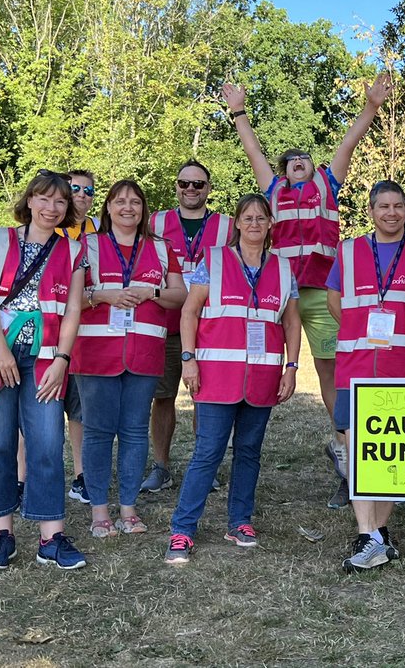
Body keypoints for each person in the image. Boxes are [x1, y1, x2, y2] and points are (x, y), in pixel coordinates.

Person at [223, 74, 392, 508]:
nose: (298, 160)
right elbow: (253, 150)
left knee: (331, 371)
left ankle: (346, 451)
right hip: (275, 292)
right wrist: (239, 110)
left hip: (318, 293)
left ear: (316, 168)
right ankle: (226, 450)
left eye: (305, 157)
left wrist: (371, 105)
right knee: (250, 362)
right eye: (291, 159)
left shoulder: (327, 186)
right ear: (282, 171)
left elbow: (348, 144)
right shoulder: (272, 191)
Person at [164, 194, 301, 563]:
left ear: (270, 223)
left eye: (261, 218)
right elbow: (189, 313)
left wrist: (292, 367)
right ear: (237, 223)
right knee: (207, 453)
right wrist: (188, 360)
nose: (254, 223)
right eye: (248, 218)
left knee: (249, 452)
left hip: (263, 378)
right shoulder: (214, 260)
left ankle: (239, 521)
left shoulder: (285, 269)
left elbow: (291, 321)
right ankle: (182, 530)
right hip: (216, 375)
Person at [0, 170, 88, 570]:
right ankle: (1, 535)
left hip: (45, 359)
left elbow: (73, 309)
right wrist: (0, 351)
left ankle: (51, 538)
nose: (51, 208)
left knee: (46, 443)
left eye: (60, 201)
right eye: (44, 199)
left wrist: (63, 359)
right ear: (30, 201)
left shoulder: (73, 251)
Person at [326, 180, 405, 570]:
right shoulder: (350, 250)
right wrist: (359, 333)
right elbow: (333, 299)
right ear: (371, 211)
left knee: (391, 451)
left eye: (398, 206)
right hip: (354, 365)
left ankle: (378, 532)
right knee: (357, 451)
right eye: (383, 206)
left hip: (404, 365)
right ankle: (366, 533)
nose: (391, 213)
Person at [72, 180, 186, 538]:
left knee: (135, 432)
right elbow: (70, 299)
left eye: (135, 202)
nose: (127, 208)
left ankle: (129, 508)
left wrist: (152, 292)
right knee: (97, 433)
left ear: (144, 209)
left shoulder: (161, 248)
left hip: (144, 354)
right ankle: (99, 512)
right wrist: (101, 296)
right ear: (107, 208)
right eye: (119, 201)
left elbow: (180, 295)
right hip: (95, 354)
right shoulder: (87, 245)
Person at [141, 160, 235, 493]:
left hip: (209, 328)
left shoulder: (229, 225)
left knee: (204, 399)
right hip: (164, 323)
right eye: (184, 183)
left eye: (198, 184)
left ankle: (204, 466)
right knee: (163, 396)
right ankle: (161, 466)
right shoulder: (156, 221)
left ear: (209, 188)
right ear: (176, 187)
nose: (190, 190)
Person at [56, 169, 98, 505]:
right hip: (45, 332)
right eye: (75, 189)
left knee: (79, 409)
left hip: (84, 331)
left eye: (89, 190)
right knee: (37, 409)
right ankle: (23, 479)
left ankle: (81, 476)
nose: (82, 195)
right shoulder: (46, 225)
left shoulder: (97, 229)